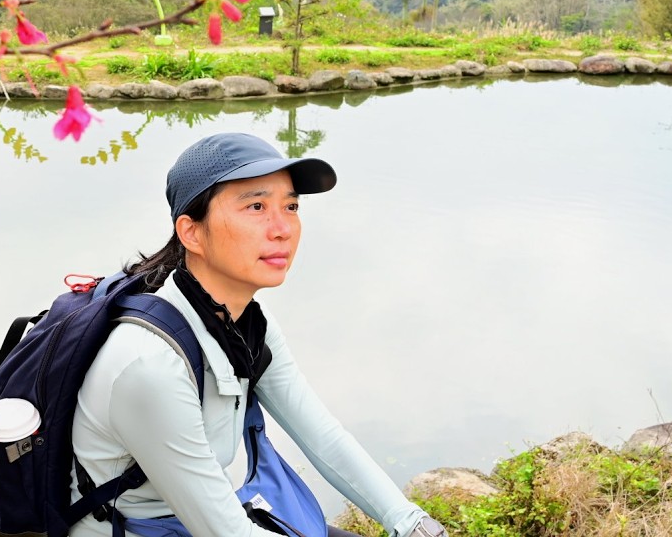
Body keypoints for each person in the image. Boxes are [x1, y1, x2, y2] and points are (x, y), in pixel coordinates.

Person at [69, 132, 448, 537]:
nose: (283, 228)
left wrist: (412, 522)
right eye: (256, 206)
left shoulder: (246, 327)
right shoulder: (149, 364)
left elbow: (323, 437)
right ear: (191, 233)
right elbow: (227, 533)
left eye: (291, 206)